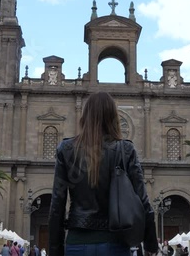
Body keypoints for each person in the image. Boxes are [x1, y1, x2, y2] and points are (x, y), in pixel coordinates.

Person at [48, 92, 158, 256]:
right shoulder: (125, 149)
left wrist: (55, 250)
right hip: (115, 242)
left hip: (77, 243)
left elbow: (57, 204)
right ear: (113, 117)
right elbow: (143, 200)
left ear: (85, 116)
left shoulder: (66, 149)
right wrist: (151, 243)